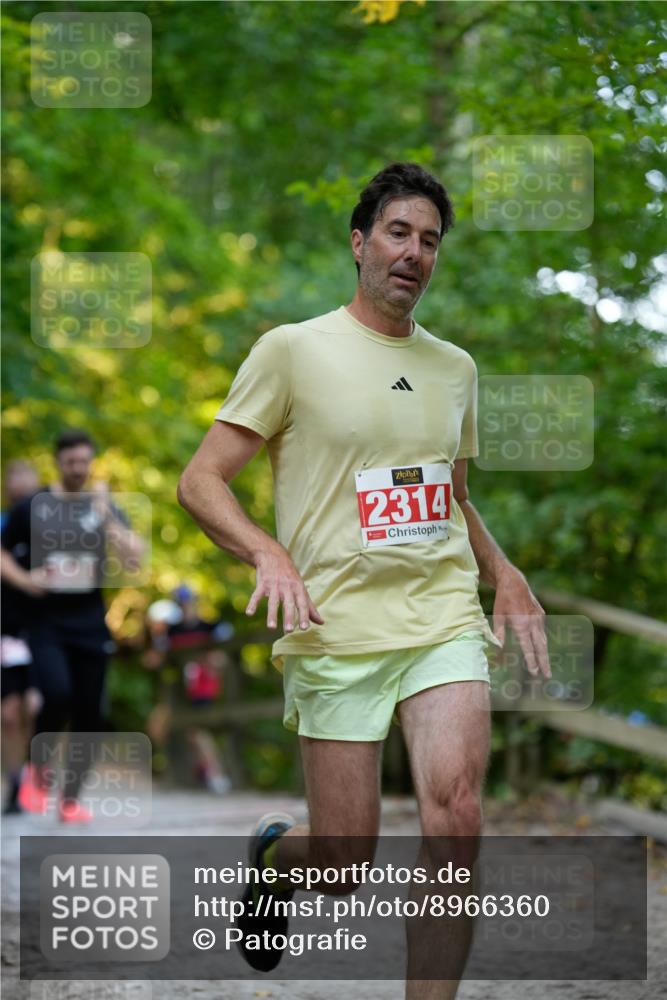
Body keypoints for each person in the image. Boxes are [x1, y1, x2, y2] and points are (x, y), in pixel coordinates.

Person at [178, 163, 550, 997]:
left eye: (428, 240)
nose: (413, 253)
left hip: (439, 618)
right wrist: (265, 553)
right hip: (333, 628)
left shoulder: (454, 368)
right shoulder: (291, 351)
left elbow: (450, 494)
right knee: (344, 862)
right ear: (358, 243)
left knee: (455, 817)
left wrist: (504, 573)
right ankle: (277, 860)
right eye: (397, 233)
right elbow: (200, 481)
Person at [0, 429, 144, 822]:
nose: (78, 469)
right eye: (70, 462)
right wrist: (25, 580)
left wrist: (104, 517)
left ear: (92, 460)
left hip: (90, 623)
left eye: (84, 461)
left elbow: (134, 558)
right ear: (57, 462)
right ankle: (39, 766)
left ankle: (71, 800)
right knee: (57, 693)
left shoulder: (104, 504)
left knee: (90, 714)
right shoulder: (33, 506)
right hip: (45, 620)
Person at [1, 461, 41, 814]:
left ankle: (36, 777)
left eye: (24, 474)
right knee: (8, 713)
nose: (18, 481)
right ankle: (16, 782)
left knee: (38, 706)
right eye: (12, 475)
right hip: (8, 632)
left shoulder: (54, 522)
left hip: (45, 630)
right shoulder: (4, 524)